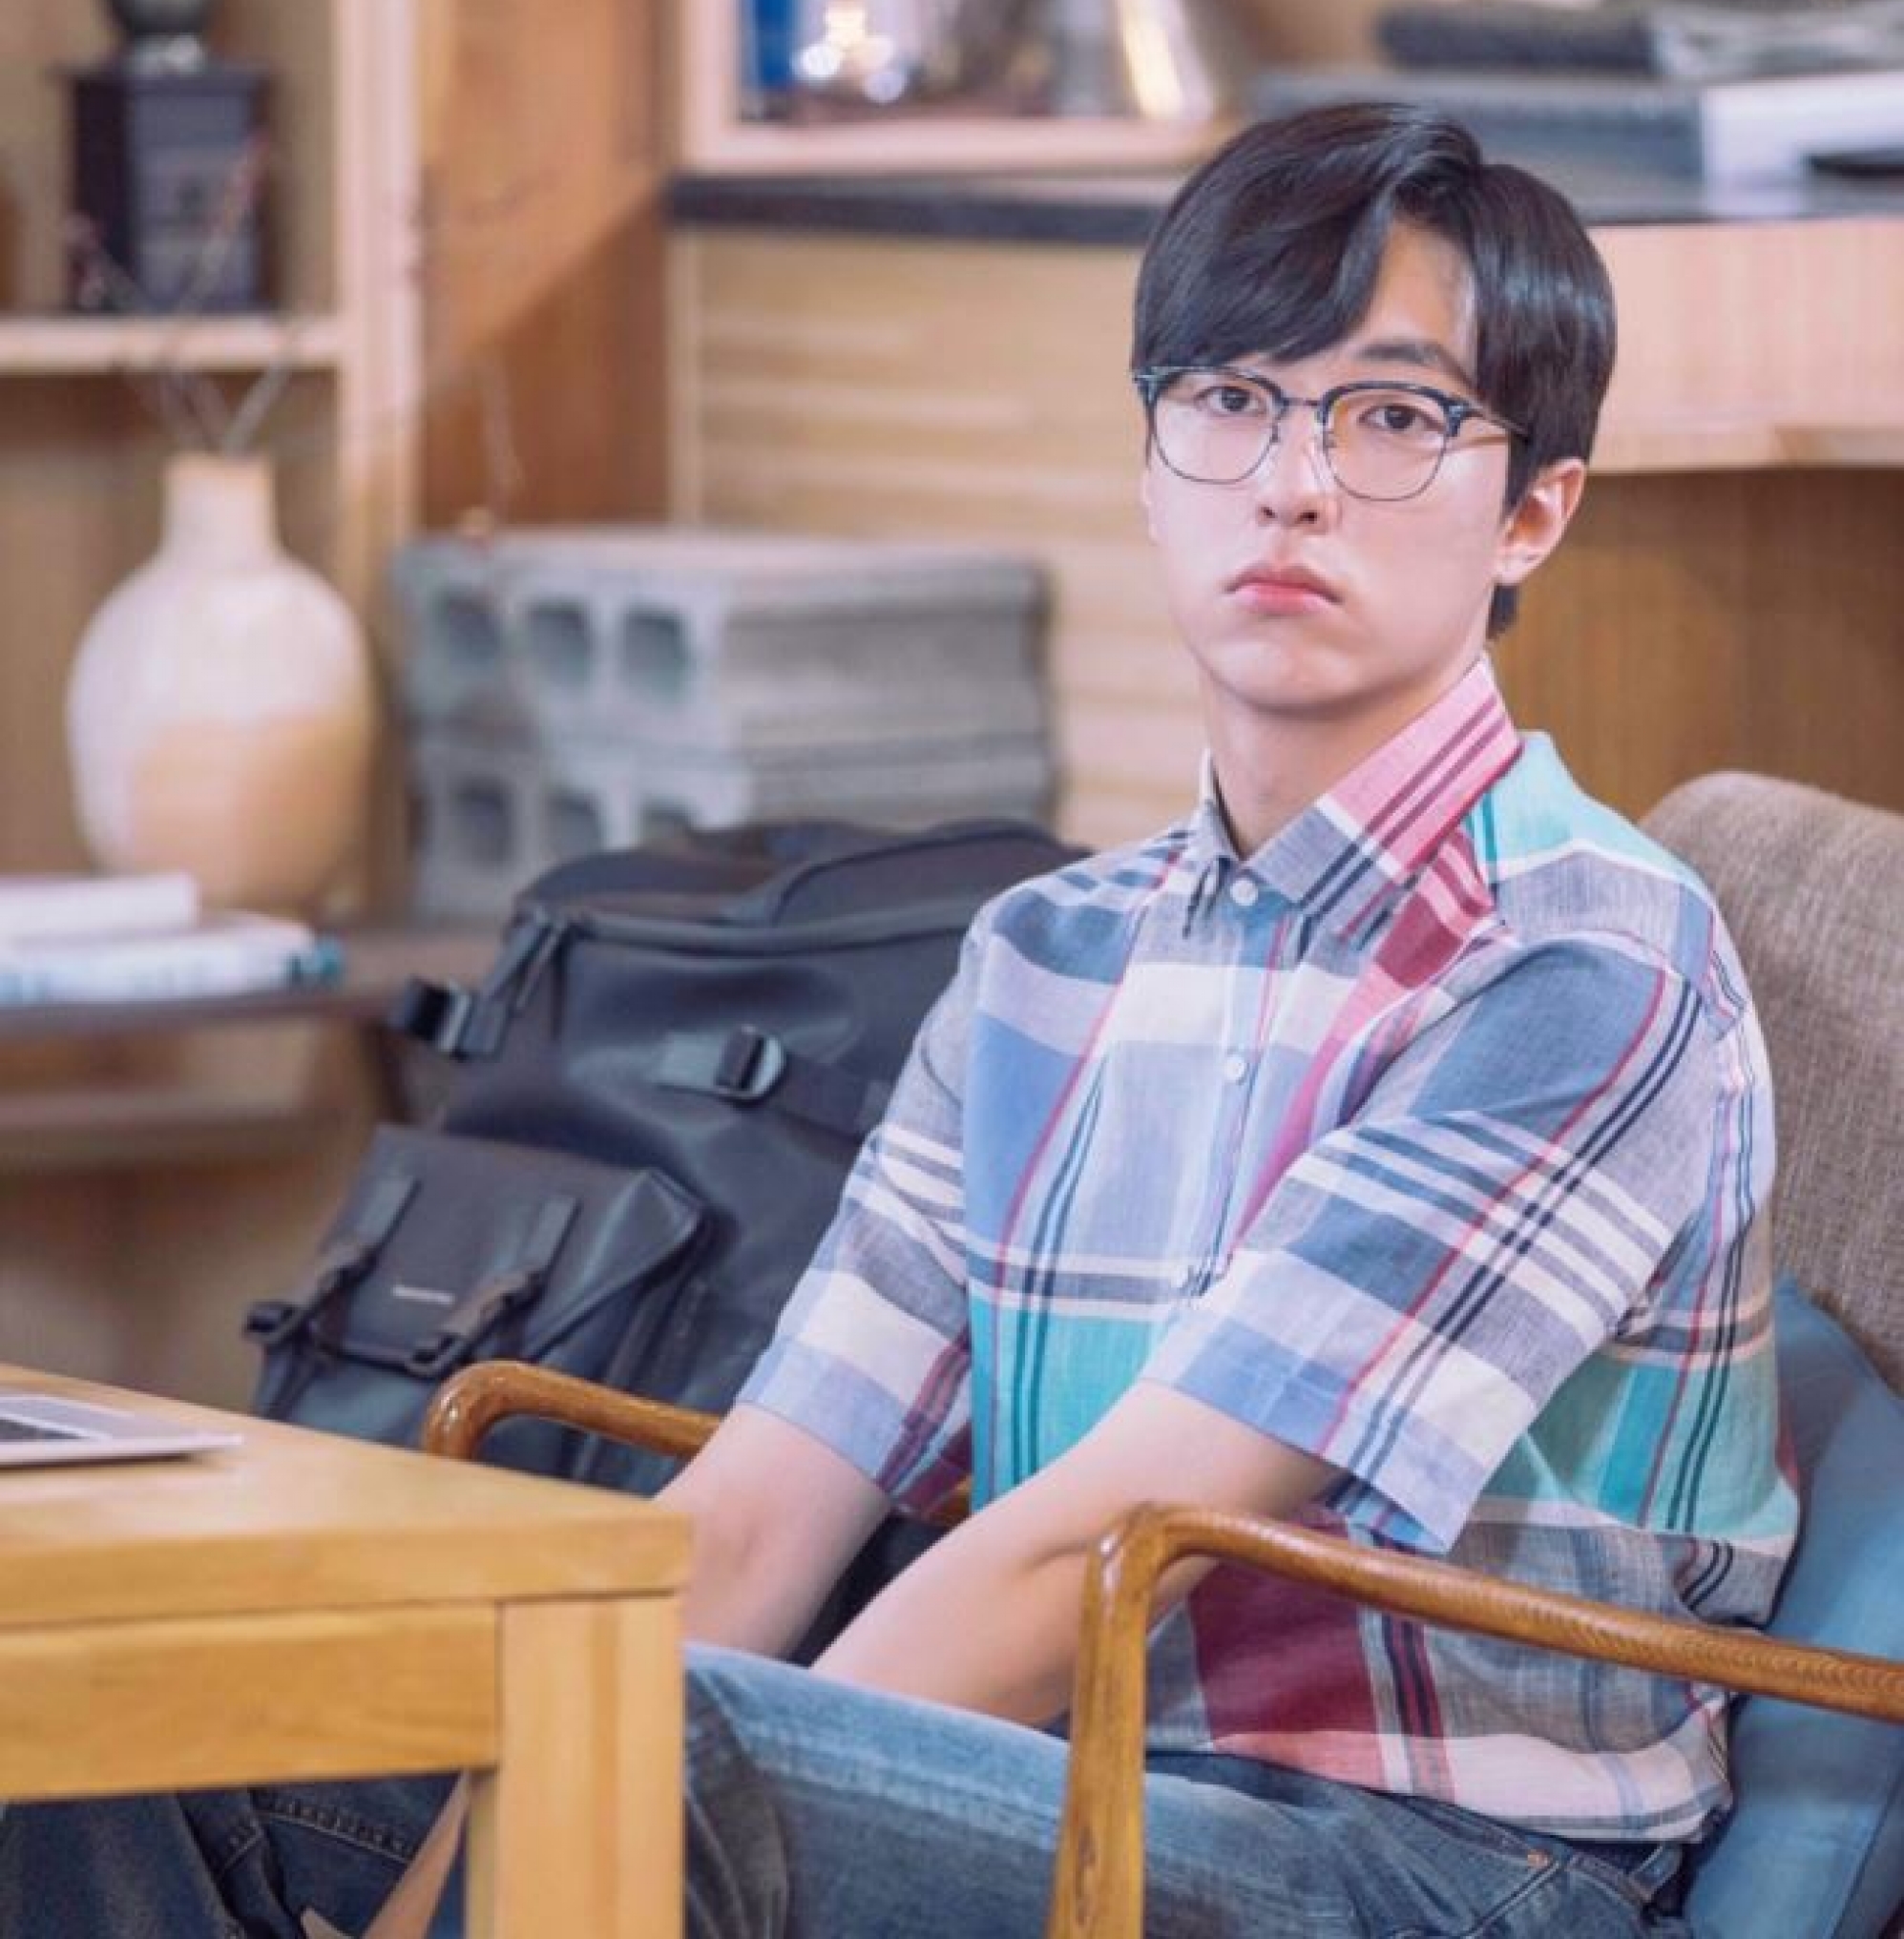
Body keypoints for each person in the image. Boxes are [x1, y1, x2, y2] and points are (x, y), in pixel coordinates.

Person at [0, 102, 1791, 1938]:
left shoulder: (1579, 963)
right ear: (1152, 465)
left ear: (1534, 511)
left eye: (1393, 418)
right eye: (1231, 400)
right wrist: (556, 1745)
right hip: (1056, 1792)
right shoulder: (1044, 960)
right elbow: (755, 1516)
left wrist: (639, 1769)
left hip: (1439, 1867)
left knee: (667, 1765)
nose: (1293, 482)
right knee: (109, 1678)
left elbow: (1099, 1549)